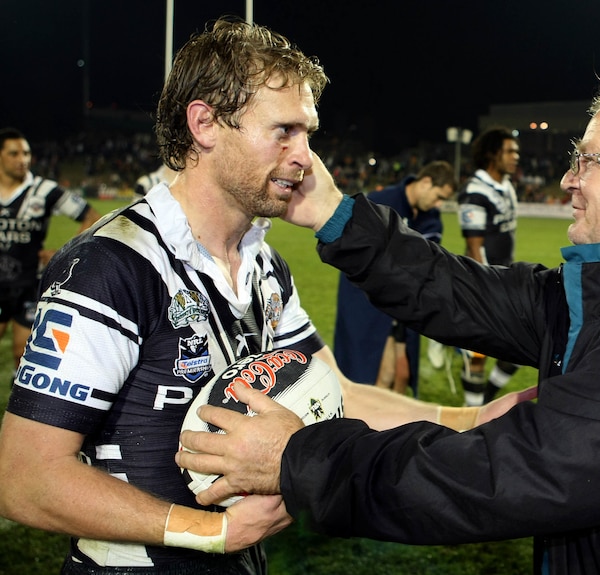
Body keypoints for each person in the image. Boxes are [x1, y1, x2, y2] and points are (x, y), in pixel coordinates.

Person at [176, 60, 600, 574]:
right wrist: (337, 216)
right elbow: (468, 293)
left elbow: (487, 479)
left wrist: (297, 457)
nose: (569, 179)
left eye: (588, 158)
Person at [0, 18, 529, 575]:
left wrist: (470, 420)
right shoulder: (114, 264)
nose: (306, 157)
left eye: (308, 133)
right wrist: (213, 531)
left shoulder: (265, 265)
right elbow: (25, 474)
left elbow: (338, 395)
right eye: (284, 131)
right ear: (204, 123)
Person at [333, 160, 456, 395]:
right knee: (374, 375)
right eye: (438, 196)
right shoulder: (381, 202)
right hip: (366, 301)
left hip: (402, 302)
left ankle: (390, 428)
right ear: (426, 182)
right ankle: (369, 428)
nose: (439, 204)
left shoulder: (430, 218)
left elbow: (427, 262)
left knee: (402, 375)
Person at [0, 127, 101, 375]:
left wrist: (64, 251)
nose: (22, 159)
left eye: (26, 153)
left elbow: (91, 216)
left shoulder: (44, 190)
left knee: (22, 353)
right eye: (14, 153)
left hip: (29, 282)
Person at [457, 126, 521, 405]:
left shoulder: (506, 186)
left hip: (505, 278)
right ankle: (473, 417)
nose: (516, 156)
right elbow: (474, 247)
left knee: (520, 347)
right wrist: (486, 288)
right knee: (477, 356)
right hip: (482, 284)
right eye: (509, 151)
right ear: (493, 154)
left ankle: (484, 400)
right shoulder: (475, 191)